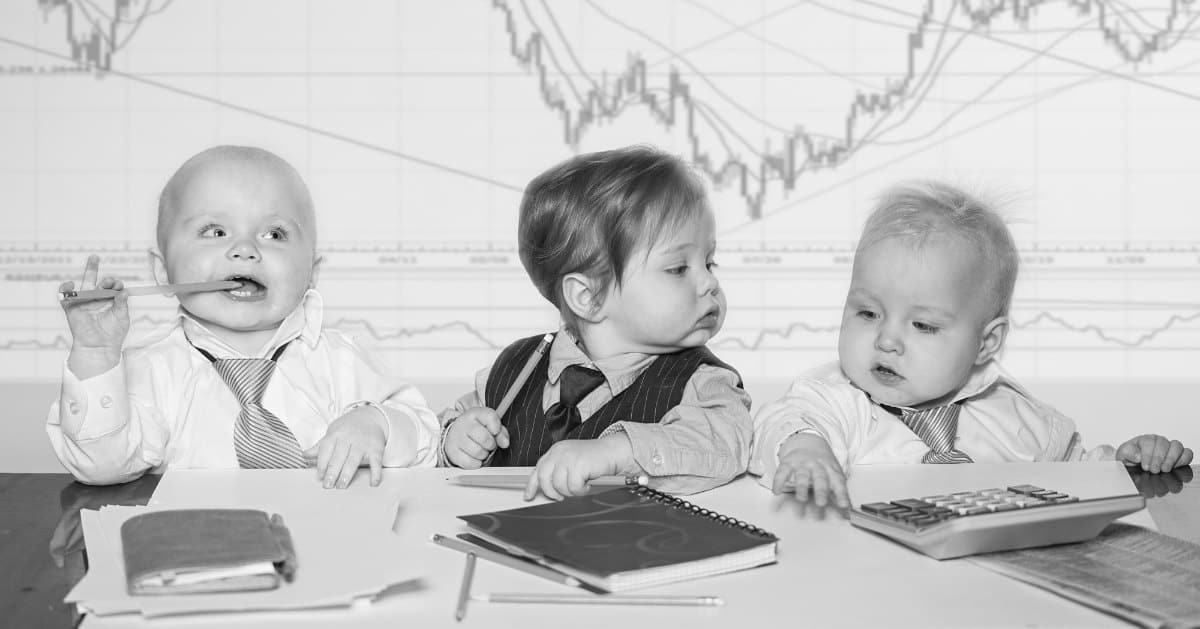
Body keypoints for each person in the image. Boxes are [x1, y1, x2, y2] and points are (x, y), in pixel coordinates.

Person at [750, 181, 1193, 509]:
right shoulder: (836, 399)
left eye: (923, 325)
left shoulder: (1019, 417)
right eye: (867, 313)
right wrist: (805, 451)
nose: (886, 339)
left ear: (986, 343)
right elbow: (787, 422)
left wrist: (1128, 462)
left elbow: (1079, 470)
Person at [47, 145, 439, 487]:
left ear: (311, 273)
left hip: (326, 549)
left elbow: (424, 439)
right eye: (215, 231)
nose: (245, 249)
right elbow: (102, 468)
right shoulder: (151, 373)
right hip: (197, 557)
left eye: (275, 234)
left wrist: (378, 425)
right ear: (163, 271)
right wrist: (96, 353)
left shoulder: (341, 361)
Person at [439, 146, 752, 500]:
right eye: (678, 269)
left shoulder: (702, 381)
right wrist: (455, 440)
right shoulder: (516, 367)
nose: (709, 282)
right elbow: (461, 418)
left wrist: (617, 452)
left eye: (709, 262)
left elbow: (726, 442)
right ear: (588, 297)